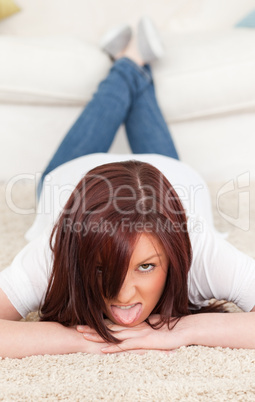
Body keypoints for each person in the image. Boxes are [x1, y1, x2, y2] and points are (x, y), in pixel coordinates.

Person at [0, 17, 255, 359]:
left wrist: (182, 330)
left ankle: (128, 62)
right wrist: (79, 340)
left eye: (146, 266)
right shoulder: (58, 251)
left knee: (123, 100)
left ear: (175, 253)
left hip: (174, 177)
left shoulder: (200, 251)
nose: (122, 294)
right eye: (102, 267)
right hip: (69, 177)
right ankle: (132, 62)